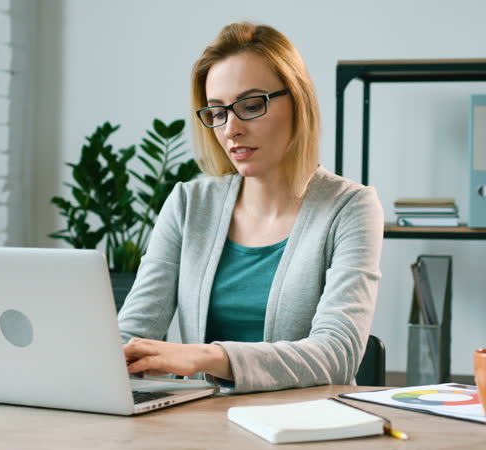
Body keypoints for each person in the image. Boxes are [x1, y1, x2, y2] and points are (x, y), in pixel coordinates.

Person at [118, 21, 383, 393]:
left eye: (251, 105)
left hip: (305, 429)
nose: (231, 129)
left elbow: (336, 354)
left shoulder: (351, 208)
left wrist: (208, 357)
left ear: (297, 100)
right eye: (217, 112)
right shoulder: (188, 204)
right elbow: (132, 333)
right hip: (198, 430)